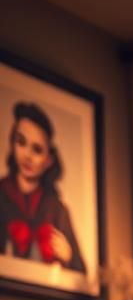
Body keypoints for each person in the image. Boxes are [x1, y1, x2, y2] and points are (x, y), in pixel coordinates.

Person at [0, 101, 85, 273]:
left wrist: (68, 256)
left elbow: (81, 272)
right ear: (12, 143)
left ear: (48, 160)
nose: (27, 155)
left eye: (37, 149)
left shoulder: (57, 209)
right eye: (21, 142)